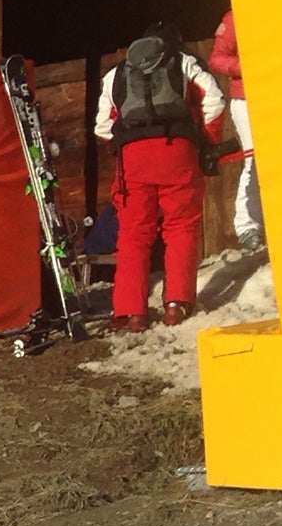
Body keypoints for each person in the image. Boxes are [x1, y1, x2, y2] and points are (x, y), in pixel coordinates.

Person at [93, 22, 225, 331]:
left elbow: (102, 125)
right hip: (178, 152)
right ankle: (176, 305)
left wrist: (124, 145)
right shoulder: (184, 62)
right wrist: (205, 140)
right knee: (181, 227)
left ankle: (131, 312)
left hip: (133, 160)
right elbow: (215, 101)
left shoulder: (117, 73)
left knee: (133, 234)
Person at [207, 10, 263, 250]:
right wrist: (247, 66)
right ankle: (248, 225)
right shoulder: (237, 16)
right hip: (247, 99)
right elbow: (216, 58)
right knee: (255, 160)